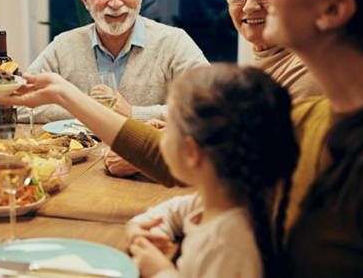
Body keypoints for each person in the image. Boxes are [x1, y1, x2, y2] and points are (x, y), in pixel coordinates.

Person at [0, 0, 363, 277]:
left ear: (333, 10)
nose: (250, 4)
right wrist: (64, 93)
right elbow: (199, 163)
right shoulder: (312, 115)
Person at [104, 0, 324, 178]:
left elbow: (256, 171)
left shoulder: (308, 69)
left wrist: (153, 151)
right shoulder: (268, 60)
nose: (250, 6)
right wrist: (180, 137)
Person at [126, 65, 297, 278]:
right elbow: (174, 210)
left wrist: (161, 272)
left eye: (168, 127)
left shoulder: (227, 245)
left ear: (191, 152)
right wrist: (144, 229)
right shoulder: (224, 201)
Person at [24, 0, 209, 124]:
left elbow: (210, 106)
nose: (115, 2)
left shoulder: (174, 42)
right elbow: (16, 104)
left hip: (143, 157)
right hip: (79, 157)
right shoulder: (63, 45)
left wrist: (132, 113)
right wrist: (84, 109)